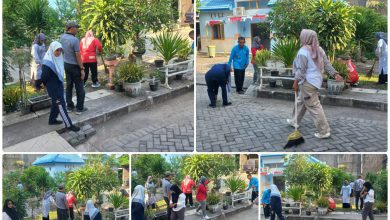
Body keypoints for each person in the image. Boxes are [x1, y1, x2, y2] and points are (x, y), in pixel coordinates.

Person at [288, 29, 343, 139]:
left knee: (313, 106)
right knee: (301, 101)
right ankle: (294, 120)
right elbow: (327, 64)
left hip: (307, 83)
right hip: (315, 81)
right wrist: (335, 74)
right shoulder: (319, 49)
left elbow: (301, 71)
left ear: (305, 38)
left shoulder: (303, 52)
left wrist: (295, 82)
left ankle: (324, 131)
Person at [41, 41, 80, 132]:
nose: (58, 52)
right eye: (56, 50)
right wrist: (45, 84)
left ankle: (52, 120)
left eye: (60, 50)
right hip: (53, 88)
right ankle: (69, 124)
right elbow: (43, 76)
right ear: (52, 50)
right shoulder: (48, 62)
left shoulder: (58, 58)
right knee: (61, 105)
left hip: (58, 85)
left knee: (56, 104)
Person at [60, 21, 87, 115]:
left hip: (66, 64)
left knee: (69, 86)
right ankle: (80, 108)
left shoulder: (62, 37)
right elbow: (78, 55)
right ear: (71, 28)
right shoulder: (75, 40)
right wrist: (82, 68)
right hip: (75, 66)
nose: (77, 29)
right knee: (79, 87)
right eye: (76, 27)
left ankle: (69, 106)